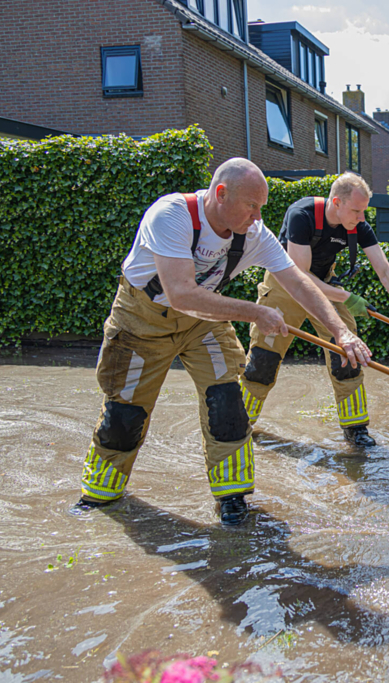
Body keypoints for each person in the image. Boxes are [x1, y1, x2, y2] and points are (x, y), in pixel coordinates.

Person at [76, 158, 371, 526]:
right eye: (252, 205)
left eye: (261, 207)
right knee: (126, 413)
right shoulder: (171, 215)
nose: (258, 216)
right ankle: (99, 498)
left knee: (228, 404)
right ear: (220, 194)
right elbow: (182, 294)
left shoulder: (255, 233)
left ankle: (233, 501)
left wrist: (340, 332)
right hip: (142, 320)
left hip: (204, 323)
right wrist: (256, 312)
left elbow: (298, 281)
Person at [240, 172, 389, 448]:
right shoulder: (302, 215)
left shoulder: (357, 225)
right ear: (336, 203)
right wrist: (346, 296)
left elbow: (385, 270)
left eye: (364, 210)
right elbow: (299, 276)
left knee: (348, 354)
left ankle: (355, 431)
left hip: (326, 286)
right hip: (285, 286)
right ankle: (240, 423)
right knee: (263, 360)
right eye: (356, 210)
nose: (362, 218)